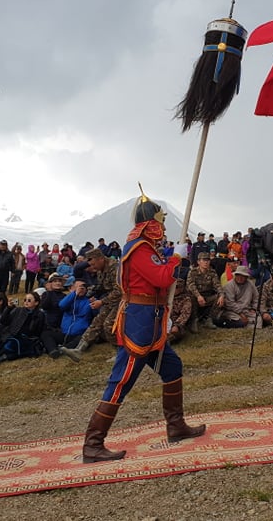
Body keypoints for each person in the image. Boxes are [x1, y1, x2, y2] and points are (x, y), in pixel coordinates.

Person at [80, 189, 204, 463]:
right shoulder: (138, 249)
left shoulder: (147, 248)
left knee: (172, 367)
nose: (162, 226)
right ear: (150, 223)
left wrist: (172, 258)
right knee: (121, 380)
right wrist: (176, 259)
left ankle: (176, 426)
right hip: (139, 322)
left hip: (153, 319)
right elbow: (161, 278)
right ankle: (93, 443)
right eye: (159, 221)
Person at [61, 248, 121, 360]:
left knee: (108, 325)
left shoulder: (115, 268)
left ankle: (121, 353)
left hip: (123, 300)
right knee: (97, 322)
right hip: (111, 299)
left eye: (93, 264)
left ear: (101, 259)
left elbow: (119, 291)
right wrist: (92, 291)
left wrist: (101, 302)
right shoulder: (100, 270)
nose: (92, 268)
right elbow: (103, 286)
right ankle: (79, 350)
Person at [186, 252, 220, 331]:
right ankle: (194, 321)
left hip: (207, 296)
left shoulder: (212, 272)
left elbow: (217, 285)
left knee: (219, 297)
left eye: (208, 260)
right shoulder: (192, 272)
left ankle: (209, 319)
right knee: (191, 297)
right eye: (203, 260)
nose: (206, 262)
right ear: (198, 262)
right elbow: (191, 285)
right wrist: (198, 296)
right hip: (196, 296)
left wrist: (222, 295)